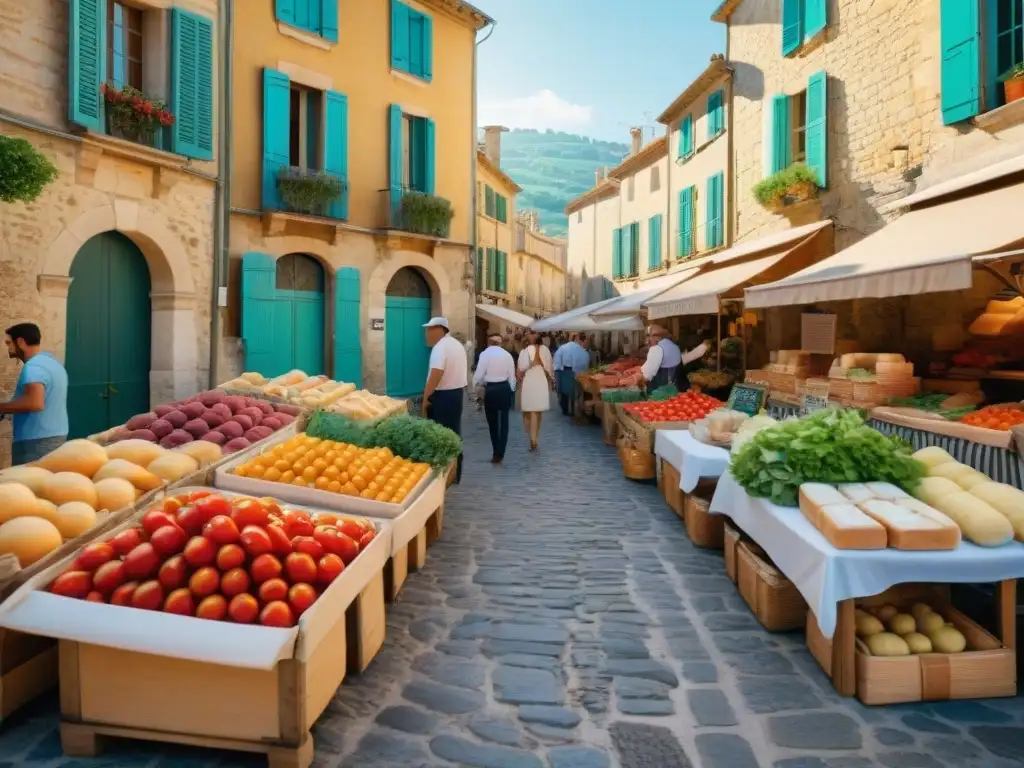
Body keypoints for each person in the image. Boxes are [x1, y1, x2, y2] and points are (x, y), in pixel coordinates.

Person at [2, 323, 68, 465]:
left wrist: (2, 407)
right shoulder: (53, 363)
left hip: (36, 442)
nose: (8, 347)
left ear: (20, 342)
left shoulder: (33, 367)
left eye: (9, 343)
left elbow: (34, 402)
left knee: (26, 485)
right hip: (56, 436)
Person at [420, 317, 468, 484]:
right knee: (454, 434)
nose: (426, 334)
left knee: (440, 437)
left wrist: (426, 398)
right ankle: (456, 474)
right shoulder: (456, 345)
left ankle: (444, 475)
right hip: (456, 394)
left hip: (443, 396)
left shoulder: (440, 348)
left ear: (439, 329)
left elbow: (436, 373)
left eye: (429, 330)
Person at [473, 334, 516, 463]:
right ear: (500, 343)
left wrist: (476, 387)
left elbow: (479, 375)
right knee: (504, 421)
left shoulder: (485, 355)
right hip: (504, 388)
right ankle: (500, 451)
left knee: (492, 421)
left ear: (489, 343)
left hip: (491, 389)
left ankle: (495, 449)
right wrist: (511, 391)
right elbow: (511, 376)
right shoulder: (507, 355)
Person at [516, 329, 553, 452]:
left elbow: (548, 366)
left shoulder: (542, 350)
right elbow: (521, 368)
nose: (531, 335)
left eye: (533, 333)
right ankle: (532, 437)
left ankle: (533, 438)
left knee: (535, 410)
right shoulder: (524, 351)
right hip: (531, 380)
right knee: (529, 410)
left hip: (537, 379)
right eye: (529, 333)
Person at [639, 325, 707, 390]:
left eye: (649, 336)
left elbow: (647, 375)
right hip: (676, 388)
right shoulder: (673, 347)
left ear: (657, 337)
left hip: (661, 391)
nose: (647, 341)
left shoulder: (657, 349)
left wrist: (636, 379)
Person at [553, 333, 590, 416]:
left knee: (563, 392)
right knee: (574, 392)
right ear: (580, 340)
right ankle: (573, 409)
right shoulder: (583, 351)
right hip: (576, 373)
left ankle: (565, 410)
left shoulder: (563, 347)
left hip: (562, 372)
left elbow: (557, 360)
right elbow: (585, 363)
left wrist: (556, 372)